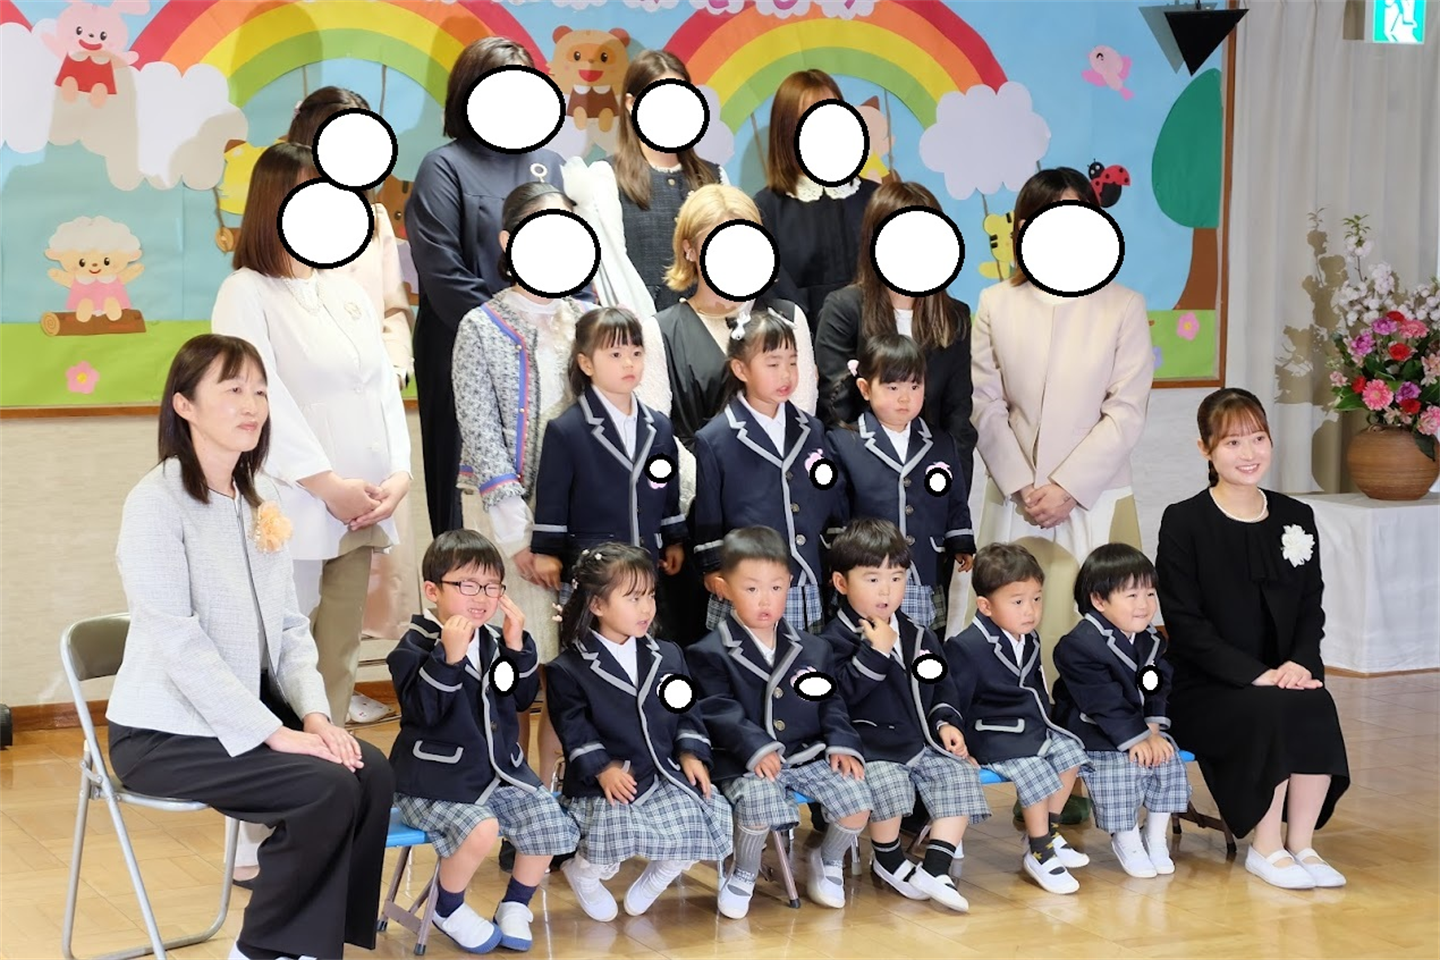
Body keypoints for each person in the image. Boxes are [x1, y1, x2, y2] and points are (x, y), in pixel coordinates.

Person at [107, 334, 392, 960]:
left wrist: (314, 716)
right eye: (233, 389)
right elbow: (178, 642)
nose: (251, 405)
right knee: (324, 787)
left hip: (237, 715)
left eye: (260, 391)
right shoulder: (155, 503)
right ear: (184, 405)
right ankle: (262, 949)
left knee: (367, 771)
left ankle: (311, 943)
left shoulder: (259, 498)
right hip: (163, 733)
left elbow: (288, 628)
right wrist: (273, 732)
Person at [211, 142, 412, 740]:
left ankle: (334, 769)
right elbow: (258, 400)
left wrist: (399, 476)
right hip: (295, 504)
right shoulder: (245, 292)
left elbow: (381, 389)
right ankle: (276, 783)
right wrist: (326, 485)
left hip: (365, 503)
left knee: (339, 655)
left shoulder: (345, 290)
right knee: (284, 651)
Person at [1156, 387, 1349, 890]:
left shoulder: (1295, 516)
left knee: (1315, 703)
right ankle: (1265, 847)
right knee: (1270, 709)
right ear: (1205, 449)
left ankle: (1302, 844)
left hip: (1283, 675)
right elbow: (1186, 624)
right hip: (1207, 684)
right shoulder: (1184, 521)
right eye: (1233, 442)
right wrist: (1256, 675)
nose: (1249, 453)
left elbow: (1310, 606)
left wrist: (1300, 663)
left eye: (1258, 438)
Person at [969, 166, 1153, 676]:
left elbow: (1126, 409)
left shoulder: (1123, 306)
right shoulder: (995, 303)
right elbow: (984, 403)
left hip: (1095, 495)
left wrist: (1068, 486)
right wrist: (1024, 485)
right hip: (1018, 497)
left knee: (1100, 628)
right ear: (1023, 228)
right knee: (1009, 627)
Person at [452, 181, 591, 793]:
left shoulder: (587, 320)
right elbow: (481, 435)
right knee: (512, 665)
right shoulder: (479, 326)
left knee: (571, 669)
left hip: (582, 520)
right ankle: (511, 794)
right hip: (509, 522)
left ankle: (558, 793)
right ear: (510, 242)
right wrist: (520, 541)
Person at [288, 85, 420, 722]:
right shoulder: (287, 215)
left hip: (368, 412)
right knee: (296, 590)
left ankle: (332, 707)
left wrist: (393, 365)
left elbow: (393, 308)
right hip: (310, 425)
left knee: (359, 580)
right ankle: (298, 713)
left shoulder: (373, 219)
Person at [388, 529, 580, 952]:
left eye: (493, 587)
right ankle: (448, 907)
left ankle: (515, 904)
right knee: (481, 828)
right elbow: (424, 713)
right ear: (433, 591)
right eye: (468, 585)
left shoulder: (493, 641)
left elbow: (521, 699)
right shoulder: (415, 645)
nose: (482, 597)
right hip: (432, 783)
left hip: (495, 775)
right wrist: (449, 658)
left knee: (546, 814)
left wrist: (516, 647)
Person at [408, 37, 567, 536]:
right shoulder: (443, 166)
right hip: (461, 346)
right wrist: (507, 330)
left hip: (545, 349)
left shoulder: (549, 165)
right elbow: (441, 270)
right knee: (466, 499)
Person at [655, 183, 819, 643]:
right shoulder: (661, 329)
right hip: (703, 520)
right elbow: (658, 433)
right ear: (690, 249)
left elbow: (800, 411)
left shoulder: (786, 317)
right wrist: (718, 484)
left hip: (785, 513)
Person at [686, 527, 872, 919]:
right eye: (751, 588)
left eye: (775, 587)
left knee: (856, 797)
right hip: (746, 758)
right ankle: (744, 869)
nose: (765, 599)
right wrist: (756, 747)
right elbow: (717, 709)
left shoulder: (813, 647)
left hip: (806, 753)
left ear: (789, 583)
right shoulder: (709, 651)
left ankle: (828, 859)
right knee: (757, 804)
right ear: (724, 588)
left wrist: (841, 742)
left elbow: (830, 701)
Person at [546, 544, 733, 921]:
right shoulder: (568, 668)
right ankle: (584, 872)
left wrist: (691, 752)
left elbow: (687, 710)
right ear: (597, 605)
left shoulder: (668, 654)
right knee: (612, 826)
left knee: (703, 810)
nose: (646, 608)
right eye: (633, 598)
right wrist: (603, 769)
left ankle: (662, 871)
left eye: (649, 595)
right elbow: (574, 728)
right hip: (608, 779)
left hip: (661, 771)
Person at [819, 519, 987, 912]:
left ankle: (936, 867)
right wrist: (875, 652)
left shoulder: (919, 634)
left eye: (896, 578)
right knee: (887, 783)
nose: (886, 590)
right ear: (841, 583)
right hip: (870, 747)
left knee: (959, 773)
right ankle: (888, 858)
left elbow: (941, 685)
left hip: (919, 741)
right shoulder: (831, 641)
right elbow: (839, 696)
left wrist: (946, 722)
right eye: (873, 579)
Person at [943, 543, 1091, 895]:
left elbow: (1035, 690)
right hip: (990, 735)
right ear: (985, 606)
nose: (1030, 610)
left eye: (1036, 599)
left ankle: (1046, 833)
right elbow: (953, 701)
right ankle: (1039, 853)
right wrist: (962, 750)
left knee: (1071, 751)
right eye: (1018, 601)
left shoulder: (1030, 639)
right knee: (1033, 766)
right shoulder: (966, 646)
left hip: (1027, 729)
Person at [530, 307, 687, 631]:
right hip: (594, 568)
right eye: (615, 354)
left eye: (636, 353)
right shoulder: (567, 429)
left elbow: (665, 485)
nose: (629, 363)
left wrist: (673, 537)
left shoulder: (658, 426)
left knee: (646, 640)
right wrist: (546, 551)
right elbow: (553, 498)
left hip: (646, 561)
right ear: (586, 363)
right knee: (592, 644)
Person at [692, 310, 841, 633]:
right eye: (773, 364)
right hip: (748, 583)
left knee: (807, 659)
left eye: (792, 362)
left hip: (806, 578)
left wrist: (835, 556)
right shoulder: (716, 438)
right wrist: (713, 568)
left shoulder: (812, 429)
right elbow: (708, 515)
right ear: (740, 369)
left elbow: (830, 498)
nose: (786, 374)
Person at [814, 180, 976, 475]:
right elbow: (836, 412)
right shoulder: (845, 309)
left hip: (932, 478)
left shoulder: (954, 317)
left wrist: (950, 488)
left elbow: (958, 418)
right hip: (864, 480)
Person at [1051, 543, 1192, 879]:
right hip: (1091, 729)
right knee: (1121, 767)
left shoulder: (1151, 640)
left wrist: (1153, 731)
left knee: (1167, 758)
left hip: (1136, 726)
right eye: (1132, 595)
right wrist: (1137, 738)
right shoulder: (1080, 644)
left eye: (1150, 594)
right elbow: (1103, 702)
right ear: (1099, 600)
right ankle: (1126, 838)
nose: (1144, 604)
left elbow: (1156, 686)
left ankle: (1154, 837)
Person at [827, 335, 975, 633]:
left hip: (923, 567)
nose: (905, 398)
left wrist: (960, 540)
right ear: (865, 388)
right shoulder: (844, 442)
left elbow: (955, 497)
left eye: (915, 386)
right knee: (869, 643)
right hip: (870, 572)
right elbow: (836, 509)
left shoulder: (940, 442)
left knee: (922, 643)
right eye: (893, 388)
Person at [562, 48, 725, 317]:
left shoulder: (714, 176)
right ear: (631, 103)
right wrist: (647, 330)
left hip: (711, 321)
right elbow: (613, 269)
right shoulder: (606, 177)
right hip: (641, 325)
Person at [753, 69, 878, 326]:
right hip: (802, 343)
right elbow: (776, 297)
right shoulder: (766, 210)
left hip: (878, 341)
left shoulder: (876, 198)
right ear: (787, 129)